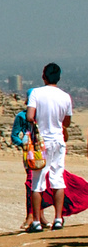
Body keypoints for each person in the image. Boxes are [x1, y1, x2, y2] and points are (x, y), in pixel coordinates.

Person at [26, 63, 74, 232]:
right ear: (59, 78)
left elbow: (30, 116)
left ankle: (37, 221)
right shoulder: (65, 96)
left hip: (41, 143)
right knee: (58, 179)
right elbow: (66, 123)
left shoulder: (36, 93)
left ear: (43, 76)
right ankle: (58, 218)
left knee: (37, 182)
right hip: (58, 141)